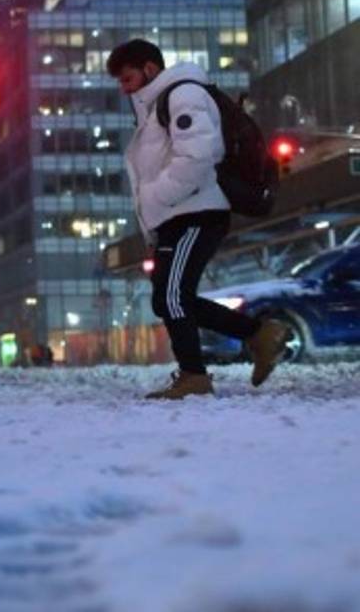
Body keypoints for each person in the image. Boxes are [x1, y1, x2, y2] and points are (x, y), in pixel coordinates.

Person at [107, 39, 289, 400]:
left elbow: (200, 153)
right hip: (177, 214)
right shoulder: (152, 108)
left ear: (149, 69)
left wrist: (159, 196)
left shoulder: (182, 94)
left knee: (173, 294)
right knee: (167, 299)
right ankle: (259, 334)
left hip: (197, 211)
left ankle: (194, 376)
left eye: (127, 79)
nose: (123, 88)